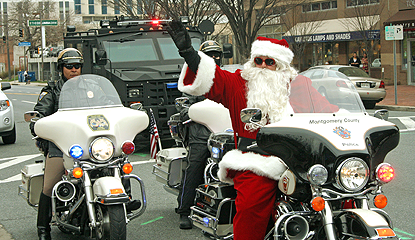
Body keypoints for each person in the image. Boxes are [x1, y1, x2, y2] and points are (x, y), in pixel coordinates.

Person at [167, 20, 296, 240]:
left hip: (298, 159)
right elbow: (213, 78)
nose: (263, 66)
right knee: (250, 210)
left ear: (280, 66)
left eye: (269, 62)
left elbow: (328, 110)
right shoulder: (239, 84)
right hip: (257, 160)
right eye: (259, 61)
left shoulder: (298, 87)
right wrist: (189, 53)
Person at [30, 48, 84, 240]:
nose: (74, 69)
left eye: (77, 66)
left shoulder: (91, 89)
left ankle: (122, 200)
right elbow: (39, 113)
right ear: (62, 68)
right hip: (60, 145)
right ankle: (43, 229)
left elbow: (109, 107)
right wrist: (37, 123)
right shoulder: (51, 90)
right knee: (49, 185)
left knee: (116, 164)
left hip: (87, 143)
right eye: (69, 66)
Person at [176, 40, 223, 229]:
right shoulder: (193, 78)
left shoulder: (227, 77)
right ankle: (184, 210)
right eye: (210, 55)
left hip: (225, 130)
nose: (214, 58)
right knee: (195, 165)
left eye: (217, 54)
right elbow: (182, 104)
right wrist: (191, 112)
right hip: (200, 131)